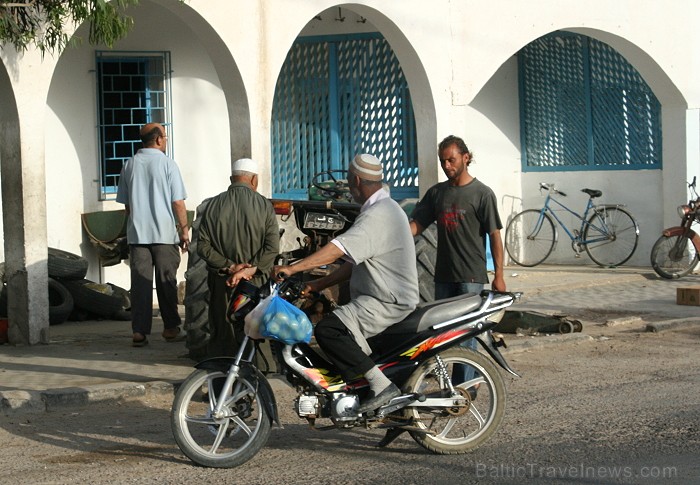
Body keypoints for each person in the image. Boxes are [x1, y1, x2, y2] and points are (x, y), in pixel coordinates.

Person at [272, 154, 419, 413]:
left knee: (329, 330)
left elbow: (336, 249)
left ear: (356, 180)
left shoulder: (379, 214)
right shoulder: (384, 208)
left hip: (387, 301)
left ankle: (381, 386)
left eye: (350, 181)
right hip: (379, 297)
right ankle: (365, 390)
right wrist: (317, 286)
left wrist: (293, 268)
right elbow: (352, 263)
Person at [411, 134, 506, 376]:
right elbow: (417, 226)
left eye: (451, 160)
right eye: (443, 161)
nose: (447, 166)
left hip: (470, 278)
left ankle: (465, 384)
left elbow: (495, 236)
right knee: (441, 333)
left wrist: (499, 276)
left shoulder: (482, 194)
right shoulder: (437, 193)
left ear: (466, 158)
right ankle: (447, 383)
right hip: (442, 276)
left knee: (466, 333)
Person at [196, 158, 280, 358]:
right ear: (254, 180)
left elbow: (202, 246)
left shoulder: (213, 205)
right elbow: (272, 247)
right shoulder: (264, 206)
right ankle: (255, 379)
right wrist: (249, 270)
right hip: (255, 283)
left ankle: (221, 378)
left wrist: (231, 267)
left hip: (223, 281)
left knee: (223, 330)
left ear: (231, 179)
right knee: (253, 330)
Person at [116, 122, 190, 347]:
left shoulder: (129, 165)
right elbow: (178, 202)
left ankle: (139, 332)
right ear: (158, 140)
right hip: (165, 235)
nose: (166, 140)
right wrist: (184, 230)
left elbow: (127, 205)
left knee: (140, 284)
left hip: (138, 236)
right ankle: (170, 328)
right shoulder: (168, 165)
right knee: (167, 282)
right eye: (165, 137)